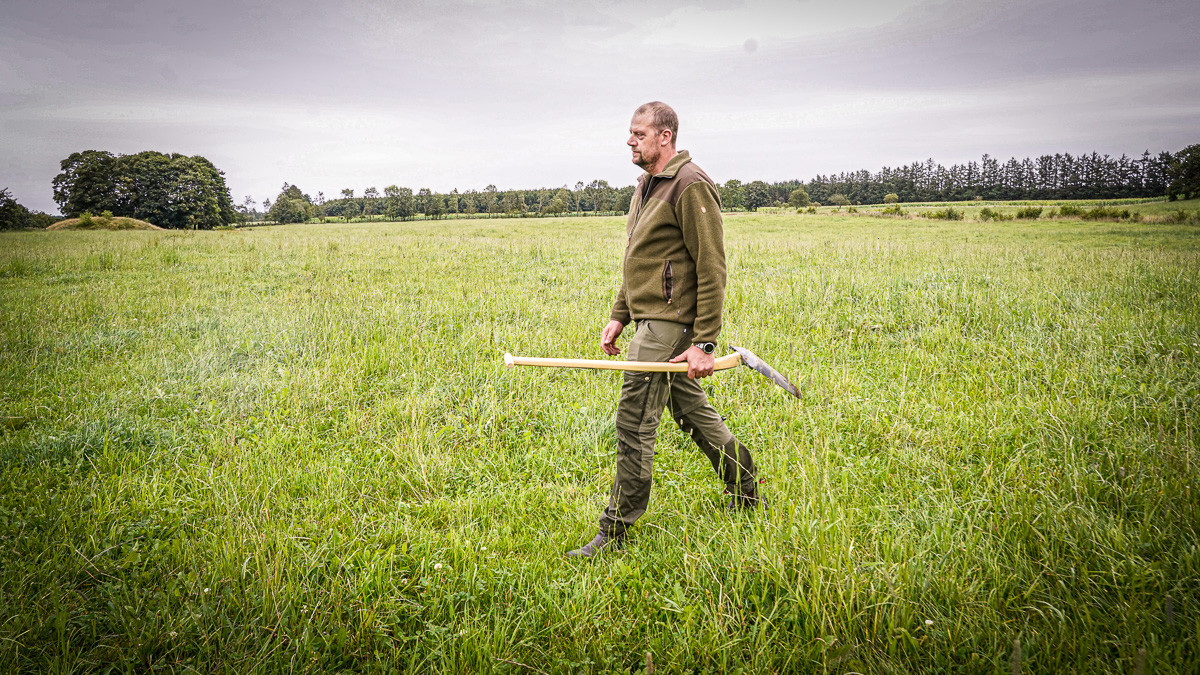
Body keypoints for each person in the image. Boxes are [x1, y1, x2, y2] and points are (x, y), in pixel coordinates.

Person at [568, 102, 764, 559]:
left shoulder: (690, 184)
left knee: (633, 423)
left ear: (665, 136)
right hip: (649, 319)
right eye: (630, 134)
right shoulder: (646, 186)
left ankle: (614, 531)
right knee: (692, 411)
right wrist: (620, 313)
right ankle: (748, 491)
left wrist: (704, 343)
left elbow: (712, 267)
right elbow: (642, 258)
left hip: (670, 326)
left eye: (639, 134)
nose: (630, 141)